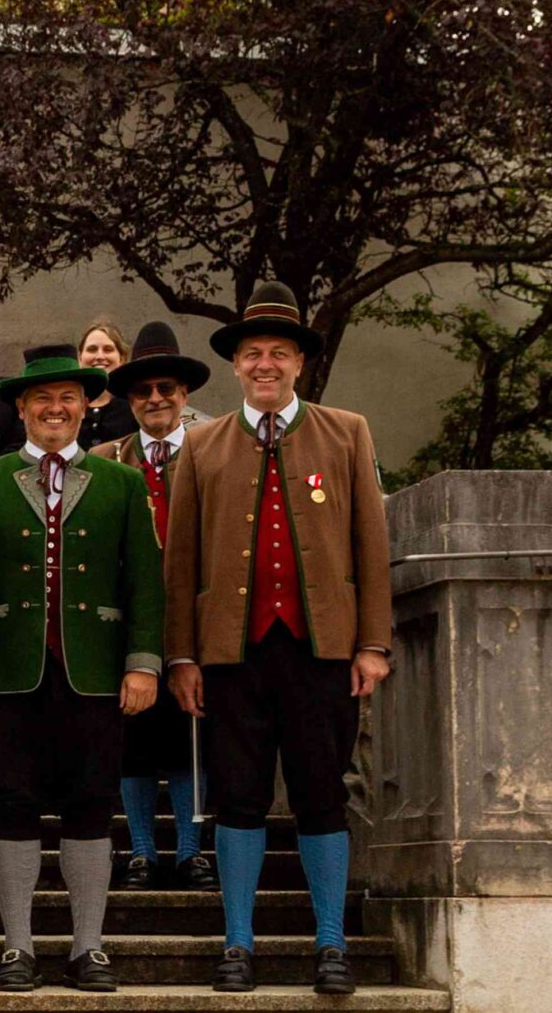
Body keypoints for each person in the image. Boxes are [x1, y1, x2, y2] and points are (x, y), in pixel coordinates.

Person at [165, 283, 392, 997]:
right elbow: (182, 562)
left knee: (323, 793)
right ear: (237, 365)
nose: (265, 364)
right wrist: (182, 655)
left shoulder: (346, 431)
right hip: (233, 652)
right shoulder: (201, 446)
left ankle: (331, 943)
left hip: (322, 648)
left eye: (279, 353)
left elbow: (371, 545)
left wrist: (373, 643)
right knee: (238, 796)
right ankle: (238, 941)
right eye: (253, 353)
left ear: (300, 363)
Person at [0, 344, 164, 995]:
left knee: (93, 804)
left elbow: (144, 580)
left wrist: (143, 663)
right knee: (10, 804)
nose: (56, 407)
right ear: (23, 407)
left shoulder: (121, 482)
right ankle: (18, 947)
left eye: (68, 396)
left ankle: (88, 947)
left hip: (95, 670)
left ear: (86, 403)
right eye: (43, 398)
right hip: (10, 671)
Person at [92, 321, 217, 893]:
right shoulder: (104, 459)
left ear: (184, 394)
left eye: (166, 388)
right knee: (135, 743)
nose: (155, 399)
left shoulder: (212, 451)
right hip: (127, 623)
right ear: (130, 399)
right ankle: (142, 850)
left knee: (191, 737)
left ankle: (193, 850)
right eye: (143, 392)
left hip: (196, 616)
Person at [76, 319, 139, 448]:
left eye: (108, 349)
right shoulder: (69, 406)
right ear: (80, 358)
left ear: (122, 358)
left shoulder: (135, 405)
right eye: (92, 349)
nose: (100, 356)